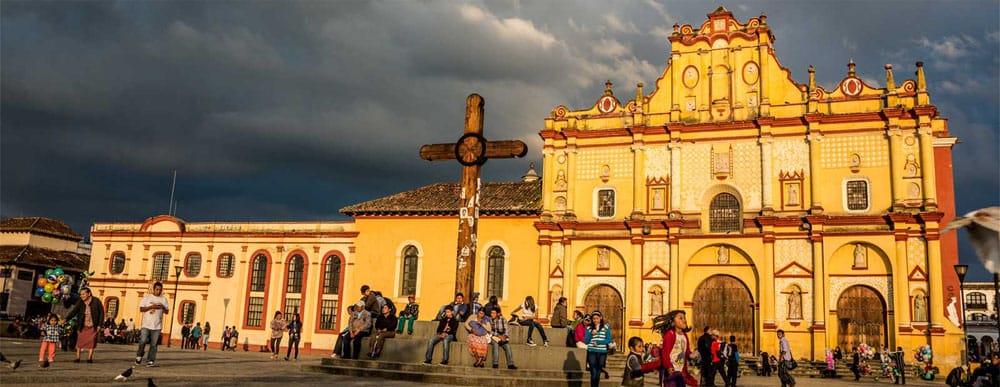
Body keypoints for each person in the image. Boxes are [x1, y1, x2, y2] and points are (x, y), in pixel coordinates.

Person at [642, 309, 696, 387]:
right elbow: (665, 354)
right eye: (680, 318)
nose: (684, 320)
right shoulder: (669, 335)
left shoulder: (685, 336)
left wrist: (691, 355)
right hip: (670, 371)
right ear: (673, 322)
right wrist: (669, 366)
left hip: (681, 371)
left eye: (684, 318)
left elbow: (686, 351)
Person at [65, 287, 104, 363]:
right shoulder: (80, 302)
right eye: (81, 294)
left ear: (89, 294)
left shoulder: (96, 301)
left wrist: (100, 324)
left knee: (92, 341)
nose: (82, 296)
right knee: (80, 341)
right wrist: (66, 319)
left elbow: (101, 313)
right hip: (82, 324)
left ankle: (89, 358)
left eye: (83, 294)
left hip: (93, 324)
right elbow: (74, 311)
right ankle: (77, 357)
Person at [134, 282, 168, 366]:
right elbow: (141, 309)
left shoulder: (164, 299)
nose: (158, 291)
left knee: (154, 344)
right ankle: (139, 355)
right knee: (143, 341)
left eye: (160, 290)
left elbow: (167, 311)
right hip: (146, 324)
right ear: (153, 289)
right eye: (157, 289)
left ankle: (150, 360)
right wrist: (151, 307)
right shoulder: (147, 298)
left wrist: (163, 307)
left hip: (157, 325)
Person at [585, 311, 613, 387]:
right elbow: (586, 341)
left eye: (597, 318)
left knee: (598, 372)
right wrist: (591, 334)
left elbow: (609, 339)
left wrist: (598, 342)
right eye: (594, 319)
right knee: (593, 372)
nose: (595, 320)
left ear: (600, 318)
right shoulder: (589, 328)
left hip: (602, 352)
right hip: (592, 351)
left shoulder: (606, 327)